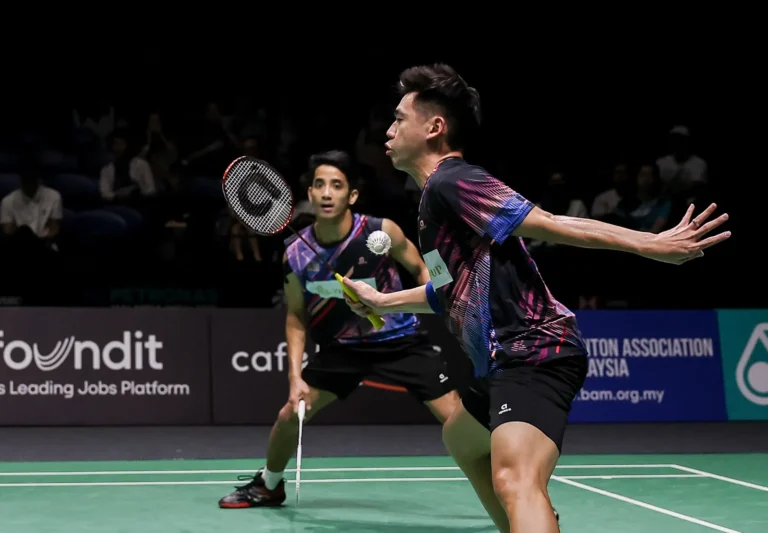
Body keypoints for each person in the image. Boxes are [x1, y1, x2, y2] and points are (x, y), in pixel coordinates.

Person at [341, 64, 731, 533]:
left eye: (399, 118)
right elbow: (448, 291)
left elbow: (550, 223)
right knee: (461, 438)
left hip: (534, 349)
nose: (388, 130)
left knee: (515, 479)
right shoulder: (432, 202)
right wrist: (382, 302)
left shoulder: (453, 180)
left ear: (434, 127)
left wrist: (650, 244)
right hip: (501, 360)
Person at [218, 149, 461, 508]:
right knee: (290, 414)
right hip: (341, 350)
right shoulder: (295, 254)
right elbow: (296, 316)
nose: (327, 193)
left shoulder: (379, 231)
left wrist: (430, 299)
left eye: (336, 185)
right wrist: (295, 378)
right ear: (310, 194)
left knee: (456, 420)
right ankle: (269, 484)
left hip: (401, 341)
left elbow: (422, 266)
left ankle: (505, 483)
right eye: (320, 185)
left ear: (353, 195)